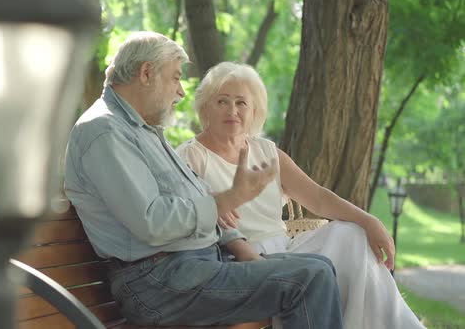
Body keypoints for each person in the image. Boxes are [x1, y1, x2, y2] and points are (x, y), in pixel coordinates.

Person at [64, 31, 344, 328]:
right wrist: (229, 198)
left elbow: (193, 197)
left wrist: (238, 242)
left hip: (190, 269)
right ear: (146, 73)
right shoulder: (105, 131)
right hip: (159, 284)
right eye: (175, 77)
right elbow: (151, 223)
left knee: (320, 267)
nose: (181, 91)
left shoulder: (142, 132)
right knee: (308, 279)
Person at [176, 61, 426, 329]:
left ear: (255, 111)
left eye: (241, 103)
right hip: (236, 261)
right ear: (205, 107)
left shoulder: (268, 152)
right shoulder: (190, 156)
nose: (233, 111)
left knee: (352, 236)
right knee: (316, 271)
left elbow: (318, 198)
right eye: (222, 101)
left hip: (285, 248)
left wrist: (369, 221)